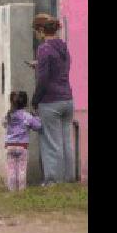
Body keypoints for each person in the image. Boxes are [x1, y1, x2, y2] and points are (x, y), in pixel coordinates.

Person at [31, 13, 74, 185]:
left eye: (36, 31)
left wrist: (35, 100)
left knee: (51, 143)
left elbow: (44, 79)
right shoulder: (63, 47)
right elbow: (60, 68)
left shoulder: (44, 49)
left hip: (51, 101)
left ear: (41, 30)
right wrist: (39, 64)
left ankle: (52, 181)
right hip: (67, 99)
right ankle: (68, 178)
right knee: (65, 142)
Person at [3, 91, 41, 191]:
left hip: (10, 146)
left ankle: (12, 191)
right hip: (22, 147)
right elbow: (38, 126)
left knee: (11, 170)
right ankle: (21, 191)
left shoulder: (9, 115)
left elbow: (3, 123)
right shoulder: (26, 116)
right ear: (25, 103)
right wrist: (36, 116)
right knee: (21, 170)